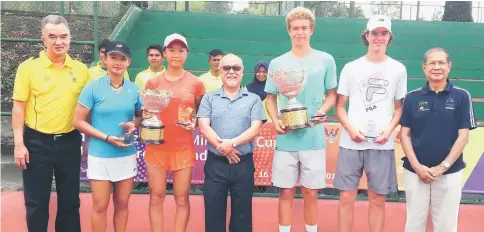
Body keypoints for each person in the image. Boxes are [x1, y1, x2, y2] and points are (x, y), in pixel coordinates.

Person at [11, 15, 90, 232]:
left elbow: (88, 108)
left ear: (70, 38)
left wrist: (88, 140)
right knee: (36, 201)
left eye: (63, 36)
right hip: (37, 141)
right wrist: (19, 144)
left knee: (70, 201)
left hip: (70, 140)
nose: (59, 42)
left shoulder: (81, 70)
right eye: (52, 36)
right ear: (43, 39)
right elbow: (18, 107)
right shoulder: (28, 68)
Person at [264, 7, 338, 232]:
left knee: (310, 192)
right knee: (285, 191)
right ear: (289, 31)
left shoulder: (325, 60)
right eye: (295, 28)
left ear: (311, 30)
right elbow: (270, 98)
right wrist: (275, 120)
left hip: (313, 137)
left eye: (304, 28)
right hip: (286, 139)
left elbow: (332, 94)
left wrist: (322, 110)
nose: (300, 32)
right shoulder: (277, 63)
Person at [333, 15, 407, 232]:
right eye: (375, 33)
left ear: (389, 37)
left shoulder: (398, 69)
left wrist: (389, 129)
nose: (379, 37)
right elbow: (339, 107)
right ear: (367, 35)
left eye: (384, 33)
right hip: (350, 143)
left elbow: (399, 108)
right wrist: (351, 128)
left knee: (377, 199)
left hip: (381, 144)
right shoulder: (350, 68)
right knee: (346, 197)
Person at [399, 47, 477, 232]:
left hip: (450, 172)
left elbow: (463, 136)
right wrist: (417, 167)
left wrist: (443, 167)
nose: (437, 67)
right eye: (432, 63)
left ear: (449, 66)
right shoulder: (412, 97)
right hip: (415, 172)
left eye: (441, 62)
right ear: (424, 68)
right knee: (414, 223)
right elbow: (404, 134)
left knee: (446, 225)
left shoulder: (461, 96)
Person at [73, 40, 142, 232]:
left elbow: (140, 116)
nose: (117, 62)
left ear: (129, 62)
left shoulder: (134, 89)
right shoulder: (92, 88)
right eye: (113, 57)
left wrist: (134, 124)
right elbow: (77, 121)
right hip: (100, 154)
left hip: (126, 154)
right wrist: (105, 137)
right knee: (100, 205)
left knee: (122, 204)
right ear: (105, 59)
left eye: (122, 59)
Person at [142, 33, 206, 232]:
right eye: (171, 50)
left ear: (187, 53)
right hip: (156, 149)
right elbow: (146, 113)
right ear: (164, 54)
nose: (176, 55)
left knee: (181, 197)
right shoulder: (153, 82)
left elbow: (202, 116)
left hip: (183, 149)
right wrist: (146, 116)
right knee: (156, 196)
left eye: (180, 50)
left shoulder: (196, 83)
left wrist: (194, 124)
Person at [197, 54, 266, 232]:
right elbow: (204, 127)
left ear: (243, 72)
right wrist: (225, 149)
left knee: (242, 216)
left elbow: (255, 128)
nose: (232, 72)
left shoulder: (254, 99)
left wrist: (231, 144)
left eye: (236, 68)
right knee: (213, 214)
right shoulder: (208, 99)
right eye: (227, 68)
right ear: (220, 72)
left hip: (243, 164)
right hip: (215, 164)